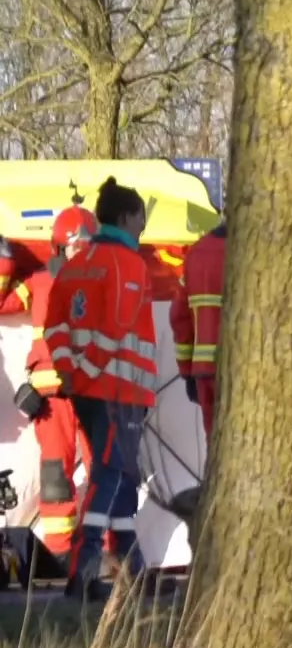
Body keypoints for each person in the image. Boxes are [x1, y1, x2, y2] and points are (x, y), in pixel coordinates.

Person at [41, 178, 164, 601]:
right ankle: (84, 568)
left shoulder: (76, 264)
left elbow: (54, 326)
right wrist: (87, 371)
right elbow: (116, 327)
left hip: (89, 391)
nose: (143, 227)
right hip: (119, 391)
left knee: (120, 477)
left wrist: (70, 370)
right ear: (126, 217)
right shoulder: (128, 264)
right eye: (141, 220)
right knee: (111, 475)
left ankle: (135, 569)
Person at [10, 205, 97, 574]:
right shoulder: (40, 281)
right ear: (60, 246)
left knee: (105, 475)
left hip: (94, 393)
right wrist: (4, 263)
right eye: (75, 246)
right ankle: (61, 554)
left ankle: (104, 552)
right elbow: (4, 303)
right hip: (51, 401)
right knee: (55, 478)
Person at [172, 221, 226, 436]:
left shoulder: (196, 254)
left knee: (215, 444)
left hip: (204, 371)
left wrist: (186, 371)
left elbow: (180, 317)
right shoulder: (258, 252)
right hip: (246, 371)